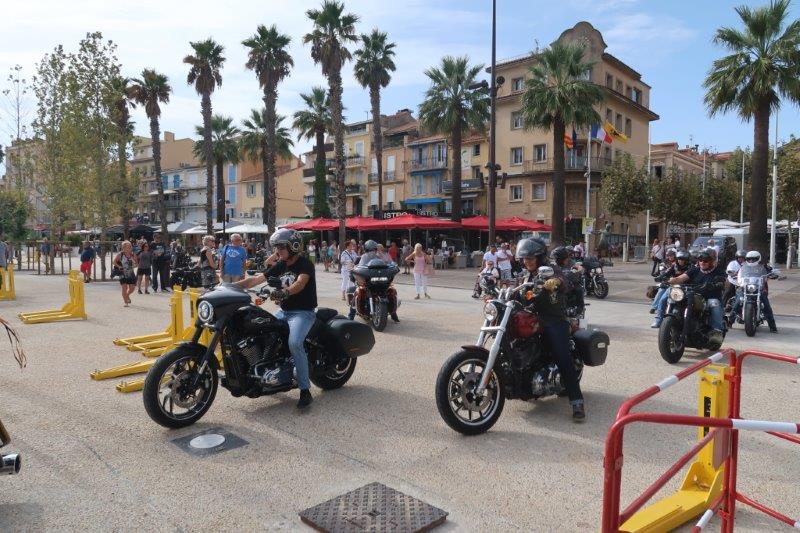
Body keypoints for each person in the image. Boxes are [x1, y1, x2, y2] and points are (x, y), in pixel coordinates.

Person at [235, 228, 317, 409]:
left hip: (302, 312)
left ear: (293, 246)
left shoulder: (305, 264)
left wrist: (285, 292)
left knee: (295, 343)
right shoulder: (281, 264)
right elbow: (255, 280)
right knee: (263, 330)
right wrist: (229, 286)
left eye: (281, 247)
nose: (277, 251)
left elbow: (300, 283)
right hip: (284, 312)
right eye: (277, 247)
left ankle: (305, 390)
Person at [516, 238, 585, 420]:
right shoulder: (525, 275)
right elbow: (519, 293)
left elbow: (563, 281)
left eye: (531, 258)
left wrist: (556, 282)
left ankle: (577, 401)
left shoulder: (551, 270)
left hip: (553, 320)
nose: (527, 261)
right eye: (525, 258)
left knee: (562, 357)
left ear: (539, 257)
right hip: (532, 319)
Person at [668, 249, 726, 344]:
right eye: (700, 260)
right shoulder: (694, 270)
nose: (702, 262)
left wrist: (718, 284)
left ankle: (717, 331)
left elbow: (725, 283)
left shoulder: (719, 271)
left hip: (709, 298)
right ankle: (672, 323)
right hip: (693, 296)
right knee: (678, 300)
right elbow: (680, 278)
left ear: (712, 261)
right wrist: (668, 281)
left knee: (714, 303)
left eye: (706, 260)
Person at [730, 251, 777, 332]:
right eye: (749, 259)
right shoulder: (743, 267)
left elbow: (770, 272)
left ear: (758, 259)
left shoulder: (763, 267)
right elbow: (738, 274)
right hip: (744, 288)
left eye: (754, 259)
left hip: (759, 288)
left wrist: (772, 274)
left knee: (766, 305)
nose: (751, 261)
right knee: (737, 302)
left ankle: (772, 326)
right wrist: (734, 275)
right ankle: (730, 321)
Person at [650, 249, 690, 328]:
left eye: (682, 259)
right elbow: (667, 273)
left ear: (686, 260)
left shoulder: (691, 268)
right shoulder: (674, 266)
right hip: (674, 288)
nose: (680, 261)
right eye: (679, 259)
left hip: (687, 289)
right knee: (662, 300)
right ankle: (658, 320)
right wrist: (660, 278)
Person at [114, 240, 138, 307]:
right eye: (126, 247)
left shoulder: (133, 254)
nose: (128, 248)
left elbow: (137, 264)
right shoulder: (120, 254)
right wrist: (119, 266)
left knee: (132, 288)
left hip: (130, 272)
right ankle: (126, 302)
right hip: (122, 273)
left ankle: (127, 295)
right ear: (123, 248)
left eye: (129, 247)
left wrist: (134, 265)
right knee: (124, 287)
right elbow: (114, 262)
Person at [722, 250, 746, 316]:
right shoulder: (733, 263)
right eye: (739, 257)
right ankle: (722, 305)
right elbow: (729, 271)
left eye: (743, 257)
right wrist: (732, 273)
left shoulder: (747, 264)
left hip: (742, 283)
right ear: (737, 258)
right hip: (732, 280)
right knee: (727, 291)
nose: (741, 259)